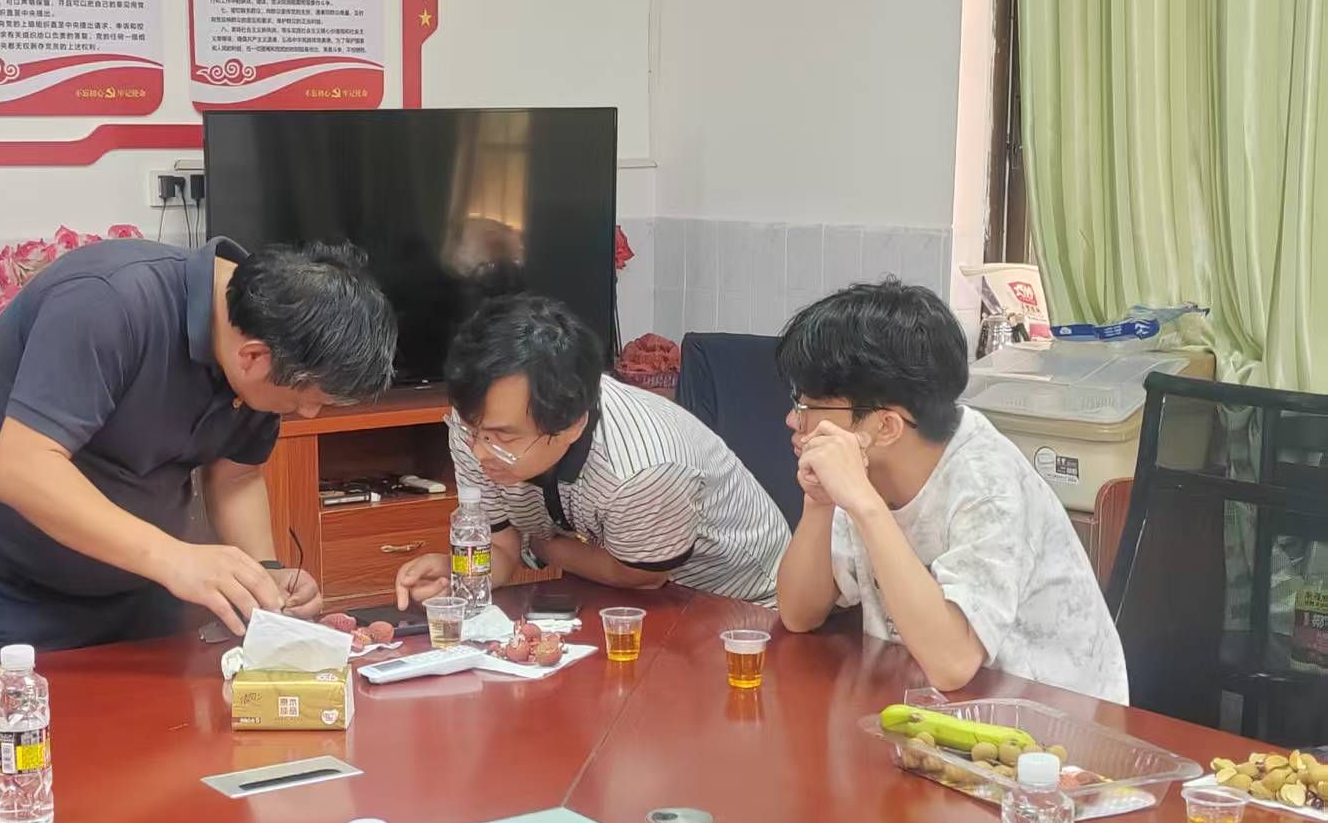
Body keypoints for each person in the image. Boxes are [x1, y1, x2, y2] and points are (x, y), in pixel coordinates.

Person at [0, 237, 396, 659]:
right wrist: (174, 558)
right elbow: (22, 469)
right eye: (309, 400)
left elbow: (236, 473)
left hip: (138, 596)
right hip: (2, 596)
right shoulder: (107, 302)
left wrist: (264, 577)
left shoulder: (271, 335)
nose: (308, 414)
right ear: (252, 357)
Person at [772, 278, 1128, 703]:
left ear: (886, 426)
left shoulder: (987, 484)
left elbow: (952, 663)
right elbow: (798, 614)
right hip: (941, 705)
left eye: (808, 407)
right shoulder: (868, 465)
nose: (793, 420)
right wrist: (820, 502)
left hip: (1054, 720)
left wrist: (865, 506)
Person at [394, 295, 791, 609]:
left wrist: (543, 545)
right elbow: (501, 546)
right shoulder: (477, 424)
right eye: (472, 430)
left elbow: (642, 575)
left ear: (571, 425)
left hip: (742, 603)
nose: (481, 453)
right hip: (617, 593)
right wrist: (460, 573)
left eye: (503, 438)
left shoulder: (643, 466)